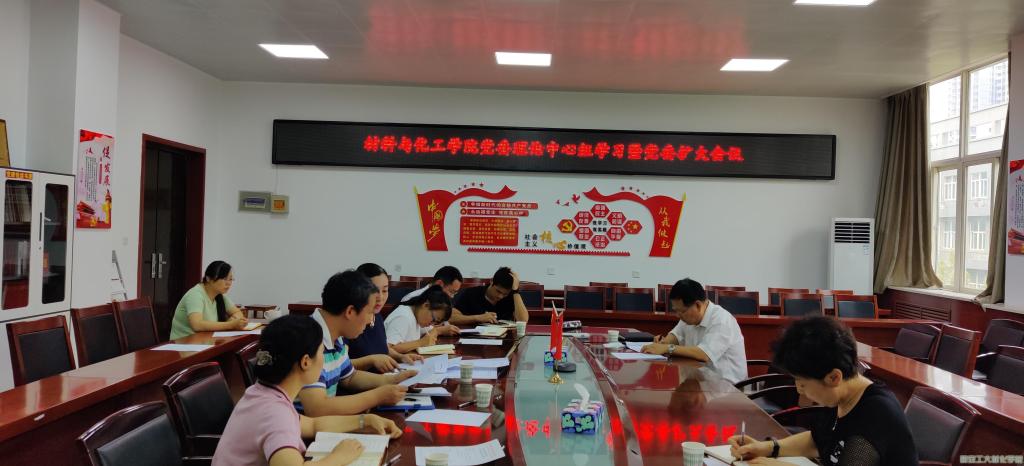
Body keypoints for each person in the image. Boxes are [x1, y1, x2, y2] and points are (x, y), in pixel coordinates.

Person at [213, 314, 401, 466]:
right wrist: (339, 457)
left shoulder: (263, 393)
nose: (323, 359)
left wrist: (364, 421)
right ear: (305, 362)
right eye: (321, 352)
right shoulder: (274, 413)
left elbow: (312, 425)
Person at [728, 316, 918, 466]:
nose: (799, 390)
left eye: (803, 384)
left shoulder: (876, 414)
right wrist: (768, 448)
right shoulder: (839, 396)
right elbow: (817, 440)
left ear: (834, 377)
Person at [295, 270, 417, 416]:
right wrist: (377, 397)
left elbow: (349, 377)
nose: (370, 320)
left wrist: (394, 380)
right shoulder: (309, 340)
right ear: (350, 312)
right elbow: (317, 408)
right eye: (370, 312)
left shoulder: (335, 335)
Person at [641, 278, 747, 384]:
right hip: (699, 380)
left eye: (681, 311)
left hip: (727, 387)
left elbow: (704, 354)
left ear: (698, 305)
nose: (678, 315)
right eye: (676, 311)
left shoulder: (722, 320)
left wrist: (667, 348)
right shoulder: (689, 316)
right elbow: (676, 335)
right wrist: (663, 342)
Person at [346, 263, 423, 371]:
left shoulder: (377, 316)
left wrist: (400, 357)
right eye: (374, 291)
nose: (381, 297)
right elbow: (340, 366)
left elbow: (382, 347)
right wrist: (371, 360)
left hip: (383, 377)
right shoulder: (348, 321)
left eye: (385, 290)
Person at [170, 260, 248, 339]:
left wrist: (233, 320)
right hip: (185, 342)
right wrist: (230, 324)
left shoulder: (219, 295)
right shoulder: (195, 294)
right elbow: (197, 325)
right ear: (208, 278)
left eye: (230, 279)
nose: (228, 283)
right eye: (224, 279)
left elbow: (237, 312)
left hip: (206, 340)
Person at [384, 285, 453, 354]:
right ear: (426, 305)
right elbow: (388, 349)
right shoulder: (403, 317)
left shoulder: (418, 317)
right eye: (433, 319)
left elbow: (433, 330)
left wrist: (437, 331)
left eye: (436, 322)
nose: (432, 324)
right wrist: (421, 342)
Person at [399, 266, 464, 336]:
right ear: (439, 284)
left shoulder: (440, 301)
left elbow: (444, 323)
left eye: (455, 293)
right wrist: (439, 330)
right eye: (451, 291)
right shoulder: (411, 298)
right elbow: (411, 330)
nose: (452, 296)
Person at [450, 267, 528, 325]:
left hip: (505, 339)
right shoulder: (471, 293)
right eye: (498, 291)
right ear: (491, 281)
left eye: (505, 294)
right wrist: (477, 318)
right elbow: (451, 318)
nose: (500, 296)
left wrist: (516, 291)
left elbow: (523, 321)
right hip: (475, 339)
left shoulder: (512, 296)